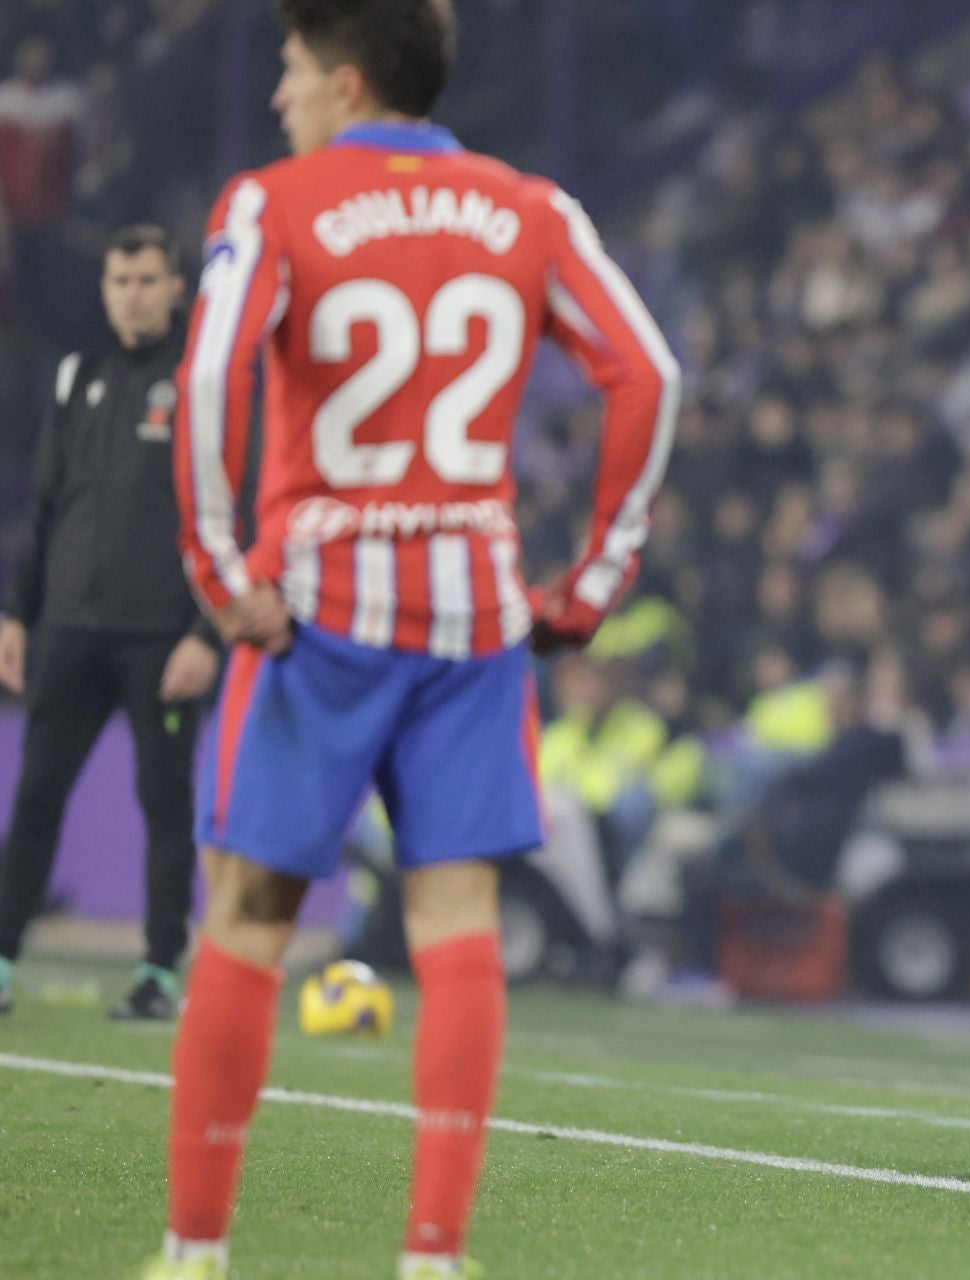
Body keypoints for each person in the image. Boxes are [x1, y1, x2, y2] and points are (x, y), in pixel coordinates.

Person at [149, 2, 680, 1277]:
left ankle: (196, 1250)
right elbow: (647, 371)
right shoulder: (531, 209)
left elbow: (215, 371)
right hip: (473, 616)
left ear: (342, 80)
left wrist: (221, 572)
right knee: (457, 920)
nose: (278, 98)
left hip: (315, 613)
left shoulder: (274, 204)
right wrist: (595, 576)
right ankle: (433, 1255)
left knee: (249, 912)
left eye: (287, 73)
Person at [0, 225, 222, 1021]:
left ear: (176, 289)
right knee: (35, 798)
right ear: (104, 289)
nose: (131, 293)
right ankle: (1, 957)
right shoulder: (75, 376)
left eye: (146, 279)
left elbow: (236, 515)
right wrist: (16, 614)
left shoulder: (203, 384)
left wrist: (208, 632)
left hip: (160, 637)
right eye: (119, 280)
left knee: (163, 802)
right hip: (66, 629)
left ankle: (159, 972)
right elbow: (47, 508)